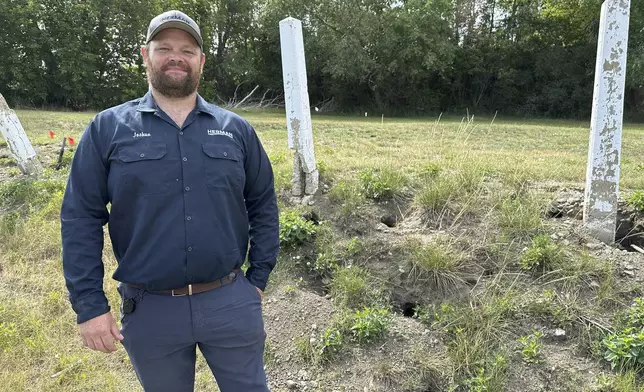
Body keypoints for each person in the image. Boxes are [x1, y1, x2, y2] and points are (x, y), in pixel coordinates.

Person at [60, 10, 279, 392]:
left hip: (229, 301)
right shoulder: (108, 128)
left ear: (201, 61)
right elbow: (80, 218)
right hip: (150, 310)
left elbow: (263, 204)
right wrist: (89, 305)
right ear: (146, 55)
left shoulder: (236, 130)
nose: (176, 56)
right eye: (164, 48)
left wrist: (257, 278)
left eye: (187, 50)